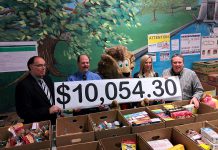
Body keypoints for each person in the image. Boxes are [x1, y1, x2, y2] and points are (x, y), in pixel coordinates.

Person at [15, 56, 61, 125]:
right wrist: (47, 110)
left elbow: (52, 99)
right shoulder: (23, 86)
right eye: (39, 65)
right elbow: (23, 113)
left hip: (54, 122)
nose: (43, 68)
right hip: (38, 127)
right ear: (31, 67)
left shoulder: (47, 79)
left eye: (44, 65)